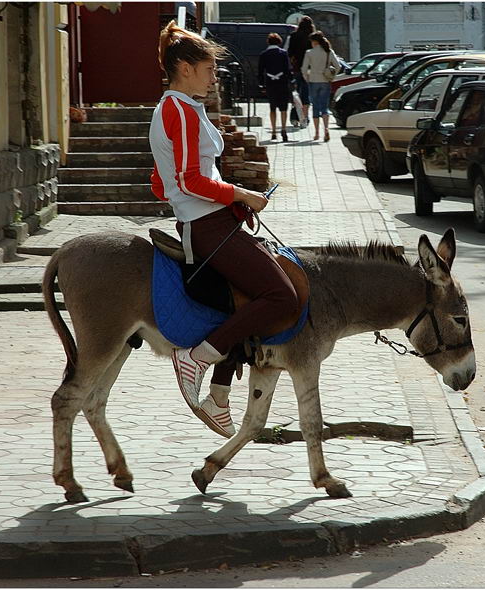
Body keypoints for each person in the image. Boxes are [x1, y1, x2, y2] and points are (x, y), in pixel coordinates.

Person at [150, 21, 298, 438]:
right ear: (184, 67)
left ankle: (218, 396)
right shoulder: (177, 110)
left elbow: (162, 182)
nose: (215, 76)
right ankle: (196, 359)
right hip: (207, 227)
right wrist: (241, 196)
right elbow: (189, 179)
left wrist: (226, 203)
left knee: (250, 298)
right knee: (281, 295)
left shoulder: (179, 108)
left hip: (211, 222)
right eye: (209, 68)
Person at [301, 31, 340, 142]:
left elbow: (303, 69)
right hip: (325, 81)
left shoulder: (309, 52)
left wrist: (306, 78)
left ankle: (317, 133)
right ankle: (326, 129)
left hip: (313, 81)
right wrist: (332, 76)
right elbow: (338, 66)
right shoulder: (329, 52)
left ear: (314, 42)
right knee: (324, 106)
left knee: (315, 107)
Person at [258, 32, 292, 142]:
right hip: (282, 83)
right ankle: (283, 129)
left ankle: (273, 132)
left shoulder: (264, 54)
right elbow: (287, 69)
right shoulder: (283, 53)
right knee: (283, 108)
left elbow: (260, 71)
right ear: (279, 42)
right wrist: (291, 80)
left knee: (272, 107)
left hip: (270, 83)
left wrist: (262, 84)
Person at [286, 15, 315, 128]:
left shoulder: (294, 36)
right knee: (306, 94)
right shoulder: (312, 38)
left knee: (296, 93)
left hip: (297, 68)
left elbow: (290, 52)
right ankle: (305, 118)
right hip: (309, 69)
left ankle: (294, 117)